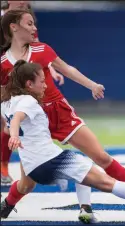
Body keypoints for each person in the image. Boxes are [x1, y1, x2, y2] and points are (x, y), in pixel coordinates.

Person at [0, 9, 125, 223]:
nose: (35, 28)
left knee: (101, 157)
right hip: (30, 122)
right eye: (29, 24)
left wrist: (92, 85)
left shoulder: (42, 49)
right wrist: (8, 121)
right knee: (27, 184)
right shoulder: (3, 62)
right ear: (14, 27)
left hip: (58, 112)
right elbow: (4, 96)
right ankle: (8, 204)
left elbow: (67, 69)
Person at [0, 60, 125, 221]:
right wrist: (14, 135)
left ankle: (85, 209)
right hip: (52, 160)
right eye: (42, 81)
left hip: (32, 168)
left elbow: (10, 122)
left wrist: (13, 133)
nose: (45, 85)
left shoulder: (6, 103)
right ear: (29, 84)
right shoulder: (28, 101)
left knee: (79, 171)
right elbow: (16, 119)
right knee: (107, 183)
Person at [1, 0, 64, 187]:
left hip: (13, 81)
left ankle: (5, 167)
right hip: (4, 73)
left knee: (10, 121)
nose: (24, 2)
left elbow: (35, 49)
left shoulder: (26, 20)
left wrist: (50, 69)